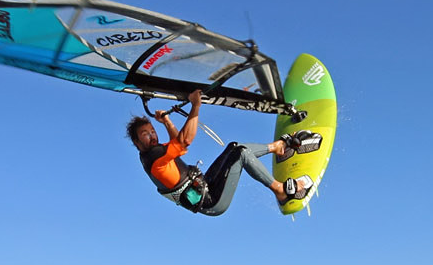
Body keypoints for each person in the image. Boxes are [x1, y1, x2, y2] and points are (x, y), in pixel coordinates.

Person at [126, 89, 314, 216]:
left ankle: (277, 147)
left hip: (206, 184)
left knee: (234, 147)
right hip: (212, 201)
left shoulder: (151, 154)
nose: (152, 135)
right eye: (145, 134)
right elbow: (186, 140)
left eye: (152, 131)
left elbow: (180, 147)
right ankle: (280, 190)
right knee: (240, 154)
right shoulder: (154, 157)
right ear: (136, 141)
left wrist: (167, 122)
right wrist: (195, 106)